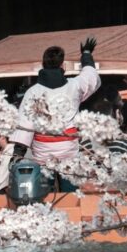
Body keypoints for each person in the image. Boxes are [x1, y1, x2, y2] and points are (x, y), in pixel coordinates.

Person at [9, 38, 101, 189]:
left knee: (45, 194)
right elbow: (90, 77)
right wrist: (86, 54)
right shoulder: (75, 86)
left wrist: (17, 154)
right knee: (70, 193)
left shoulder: (33, 92)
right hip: (69, 152)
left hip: (43, 154)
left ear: (42, 65)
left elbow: (25, 125)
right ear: (62, 65)